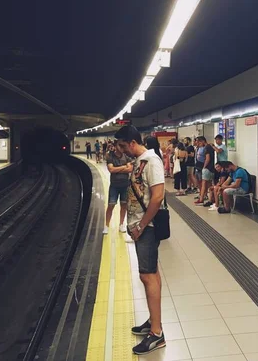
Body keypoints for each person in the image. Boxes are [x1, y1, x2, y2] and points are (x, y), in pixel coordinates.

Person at [115, 126, 166, 355]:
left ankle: (156, 334)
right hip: (141, 226)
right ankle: (153, 321)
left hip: (148, 227)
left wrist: (141, 225)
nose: (122, 151)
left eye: (124, 146)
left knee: (147, 276)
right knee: (152, 273)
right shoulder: (139, 160)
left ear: (132, 142)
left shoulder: (152, 161)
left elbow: (158, 197)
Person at [104, 141, 133, 235]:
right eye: (119, 146)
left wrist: (118, 169)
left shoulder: (126, 156)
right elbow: (111, 170)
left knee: (123, 205)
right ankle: (106, 225)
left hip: (125, 185)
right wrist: (124, 167)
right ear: (115, 146)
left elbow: (130, 169)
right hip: (114, 186)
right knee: (111, 205)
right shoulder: (110, 157)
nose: (121, 148)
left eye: (122, 146)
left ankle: (121, 224)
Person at [194, 137, 215, 205]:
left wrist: (204, 167)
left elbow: (207, 158)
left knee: (203, 184)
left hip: (207, 168)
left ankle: (201, 199)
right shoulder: (209, 147)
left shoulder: (207, 147)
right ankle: (211, 199)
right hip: (211, 168)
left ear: (203, 141)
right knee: (209, 185)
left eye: (199, 142)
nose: (198, 144)